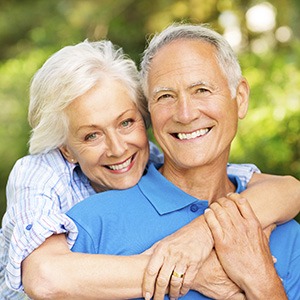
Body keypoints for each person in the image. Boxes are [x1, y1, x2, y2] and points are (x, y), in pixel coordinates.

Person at [0, 38, 299, 300]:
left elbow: (288, 188)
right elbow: (44, 278)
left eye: (126, 122)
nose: (118, 149)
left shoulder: (155, 157)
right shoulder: (59, 197)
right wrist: (187, 269)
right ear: (66, 149)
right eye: (91, 135)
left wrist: (253, 273)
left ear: (144, 118)